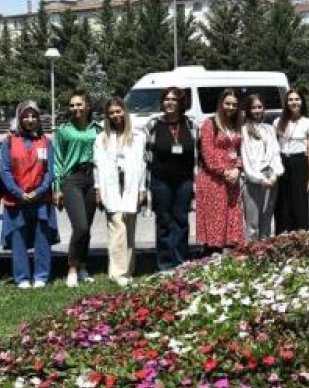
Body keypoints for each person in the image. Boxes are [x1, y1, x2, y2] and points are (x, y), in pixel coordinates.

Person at [0, 101, 58, 288]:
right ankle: (22, 277)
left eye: (34, 116)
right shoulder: (9, 141)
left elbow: (50, 171)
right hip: (16, 199)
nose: (30, 120)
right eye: (26, 116)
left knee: (42, 237)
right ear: (19, 118)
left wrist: (39, 191)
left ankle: (41, 275)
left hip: (41, 198)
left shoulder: (46, 142)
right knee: (18, 237)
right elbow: (5, 170)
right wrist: (18, 193)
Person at [93, 98, 147, 287]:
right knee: (117, 228)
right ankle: (118, 272)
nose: (116, 115)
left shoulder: (138, 137)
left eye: (118, 111)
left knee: (129, 229)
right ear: (107, 116)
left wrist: (142, 189)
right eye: (111, 113)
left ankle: (128, 269)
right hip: (111, 185)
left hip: (131, 185)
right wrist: (98, 188)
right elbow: (97, 165)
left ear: (124, 112)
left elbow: (142, 165)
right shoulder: (102, 138)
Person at [144, 87, 197, 271]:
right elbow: (146, 156)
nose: (170, 102)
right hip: (161, 181)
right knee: (164, 221)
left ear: (181, 103)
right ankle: (166, 264)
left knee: (181, 220)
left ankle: (181, 262)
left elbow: (197, 155)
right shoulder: (153, 125)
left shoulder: (191, 125)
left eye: (174, 99)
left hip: (184, 181)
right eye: (167, 99)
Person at [54, 91, 100, 287]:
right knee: (79, 226)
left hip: (92, 178)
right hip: (72, 179)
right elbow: (57, 160)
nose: (75, 108)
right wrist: (57, 187)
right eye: (72, 105)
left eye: (79, 104)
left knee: (87, 228)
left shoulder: (98, 129)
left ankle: (83, 266)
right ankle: (72, 268)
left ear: (88, 106)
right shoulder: (63, 130)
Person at [196, 89, 245, 253]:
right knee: (215, 219)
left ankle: (230, 259)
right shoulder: (209, 124)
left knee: (232, 218)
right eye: (227, 103)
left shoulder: (236, 125)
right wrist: (224, 171)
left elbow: (241, 150)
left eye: (234, 105)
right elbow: (207, 152)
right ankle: (211, 258)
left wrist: (238, 169)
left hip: (232, 179)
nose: (230, 107)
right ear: (221, 104)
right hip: (213, 180)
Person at [241, 94, 284, 240]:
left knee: (266, 221)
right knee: (253, 223)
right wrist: (260, 179)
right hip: (254, 180)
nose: (257, 110)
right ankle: (251, 254)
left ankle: (264, 254)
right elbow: (246, 159)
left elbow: (275, 153)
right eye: (253, 107)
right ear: (248, 110)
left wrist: (275, 174)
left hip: (271, 178)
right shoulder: (244, 131)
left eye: (259, 107)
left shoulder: (269, 129)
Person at [274, 90, 309, 233]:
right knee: (282, 202)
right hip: (282, 162)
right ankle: (282, 235)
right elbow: (274, 147)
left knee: (300, 202)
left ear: (302, 101)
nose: (294, 102)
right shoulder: (277, 122)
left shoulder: (308, 123)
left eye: (297, 99)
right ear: (286, 103)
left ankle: (301, 234)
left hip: (300, 163)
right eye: (290, 99)